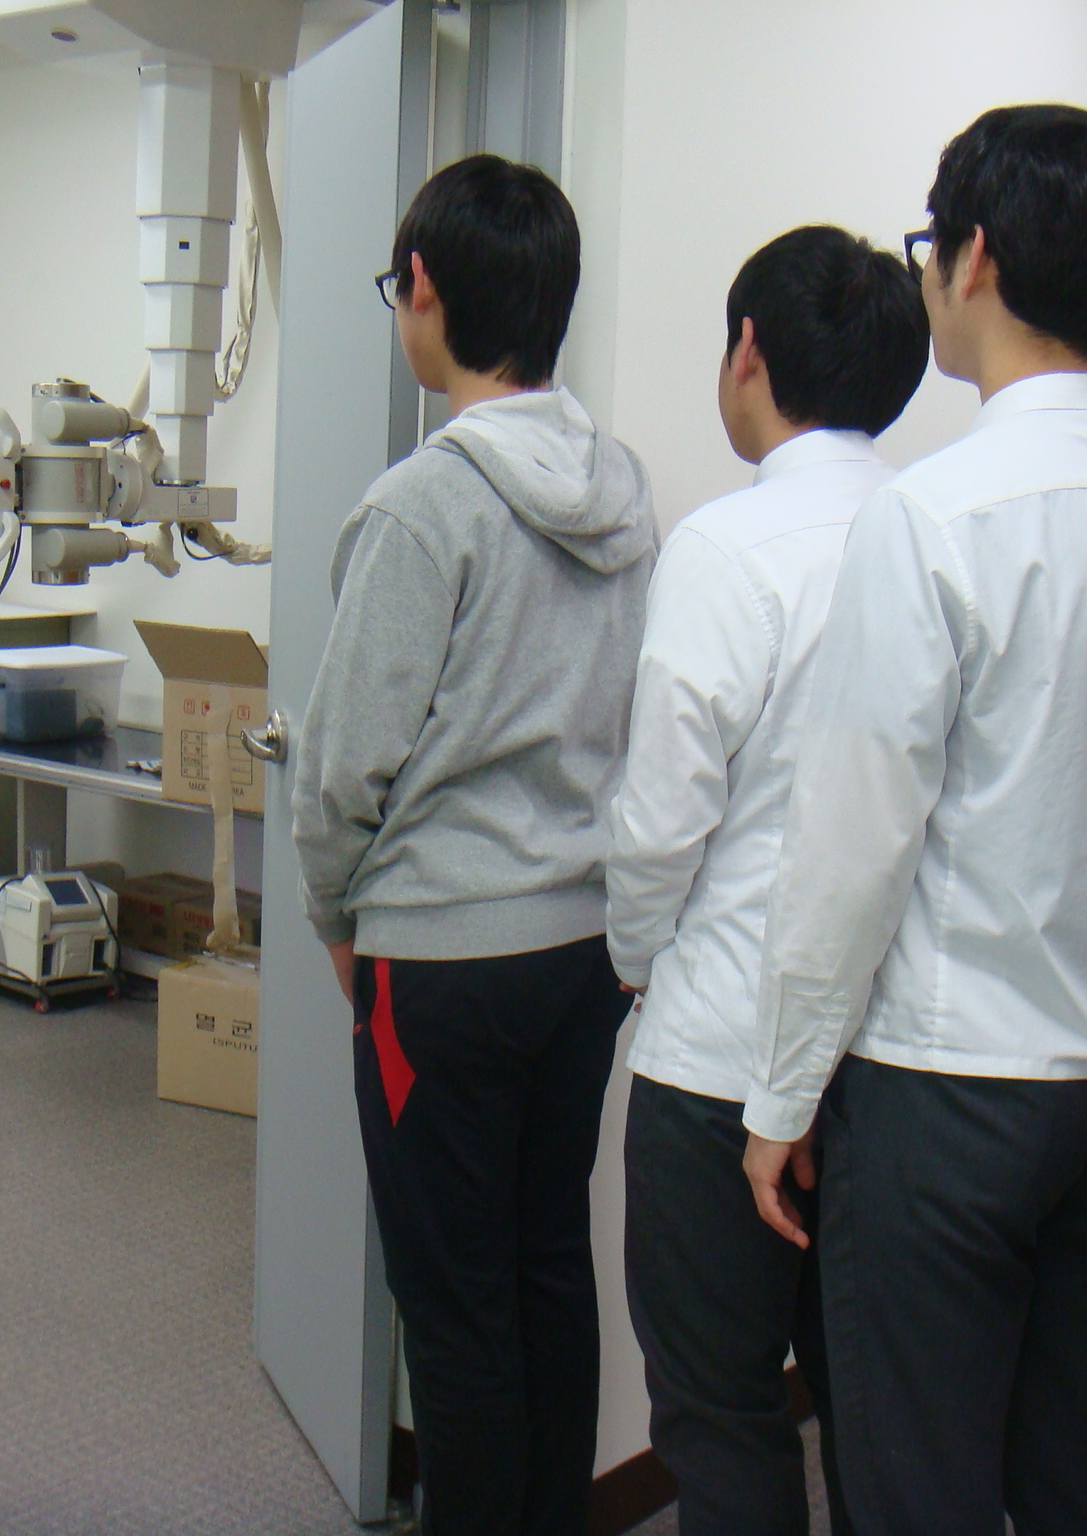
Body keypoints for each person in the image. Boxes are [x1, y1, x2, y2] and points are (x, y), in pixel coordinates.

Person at [739, 105, 1087, 1536]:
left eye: (929, 244)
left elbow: (850, 849)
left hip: (951, 1086)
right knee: (1069, 1446)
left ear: (977, 261)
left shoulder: (934, 517)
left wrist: (778, 1101)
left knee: (915, 1480)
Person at [290, 153, 656, 1536]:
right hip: (583, 949)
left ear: (426, 292)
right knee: (546, 1261)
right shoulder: (623, 489)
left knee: (452, 1303)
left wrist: (335, 916)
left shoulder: (422, 505)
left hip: (440, 959)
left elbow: (342, 765)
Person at [606, 225, 927, 1536]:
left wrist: (636, 961)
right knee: (882, 1412)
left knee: (720, 1409)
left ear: (747, 350)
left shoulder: (728, 550)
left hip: (721, 1060)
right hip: (896, 1061)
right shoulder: (935, 533)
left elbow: (658, 825)